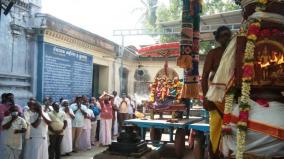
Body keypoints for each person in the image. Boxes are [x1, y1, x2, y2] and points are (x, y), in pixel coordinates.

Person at [201, 26, 232, 159]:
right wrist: (206, 98)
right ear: (218, 38)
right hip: (215, 98)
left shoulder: (235, 53)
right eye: (223, 35)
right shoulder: (213, 54)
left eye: (227, 35)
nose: (226, 38)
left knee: (231, 131)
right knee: (215, 132)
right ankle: (214, 156)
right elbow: (204, 76)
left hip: (231, 97)